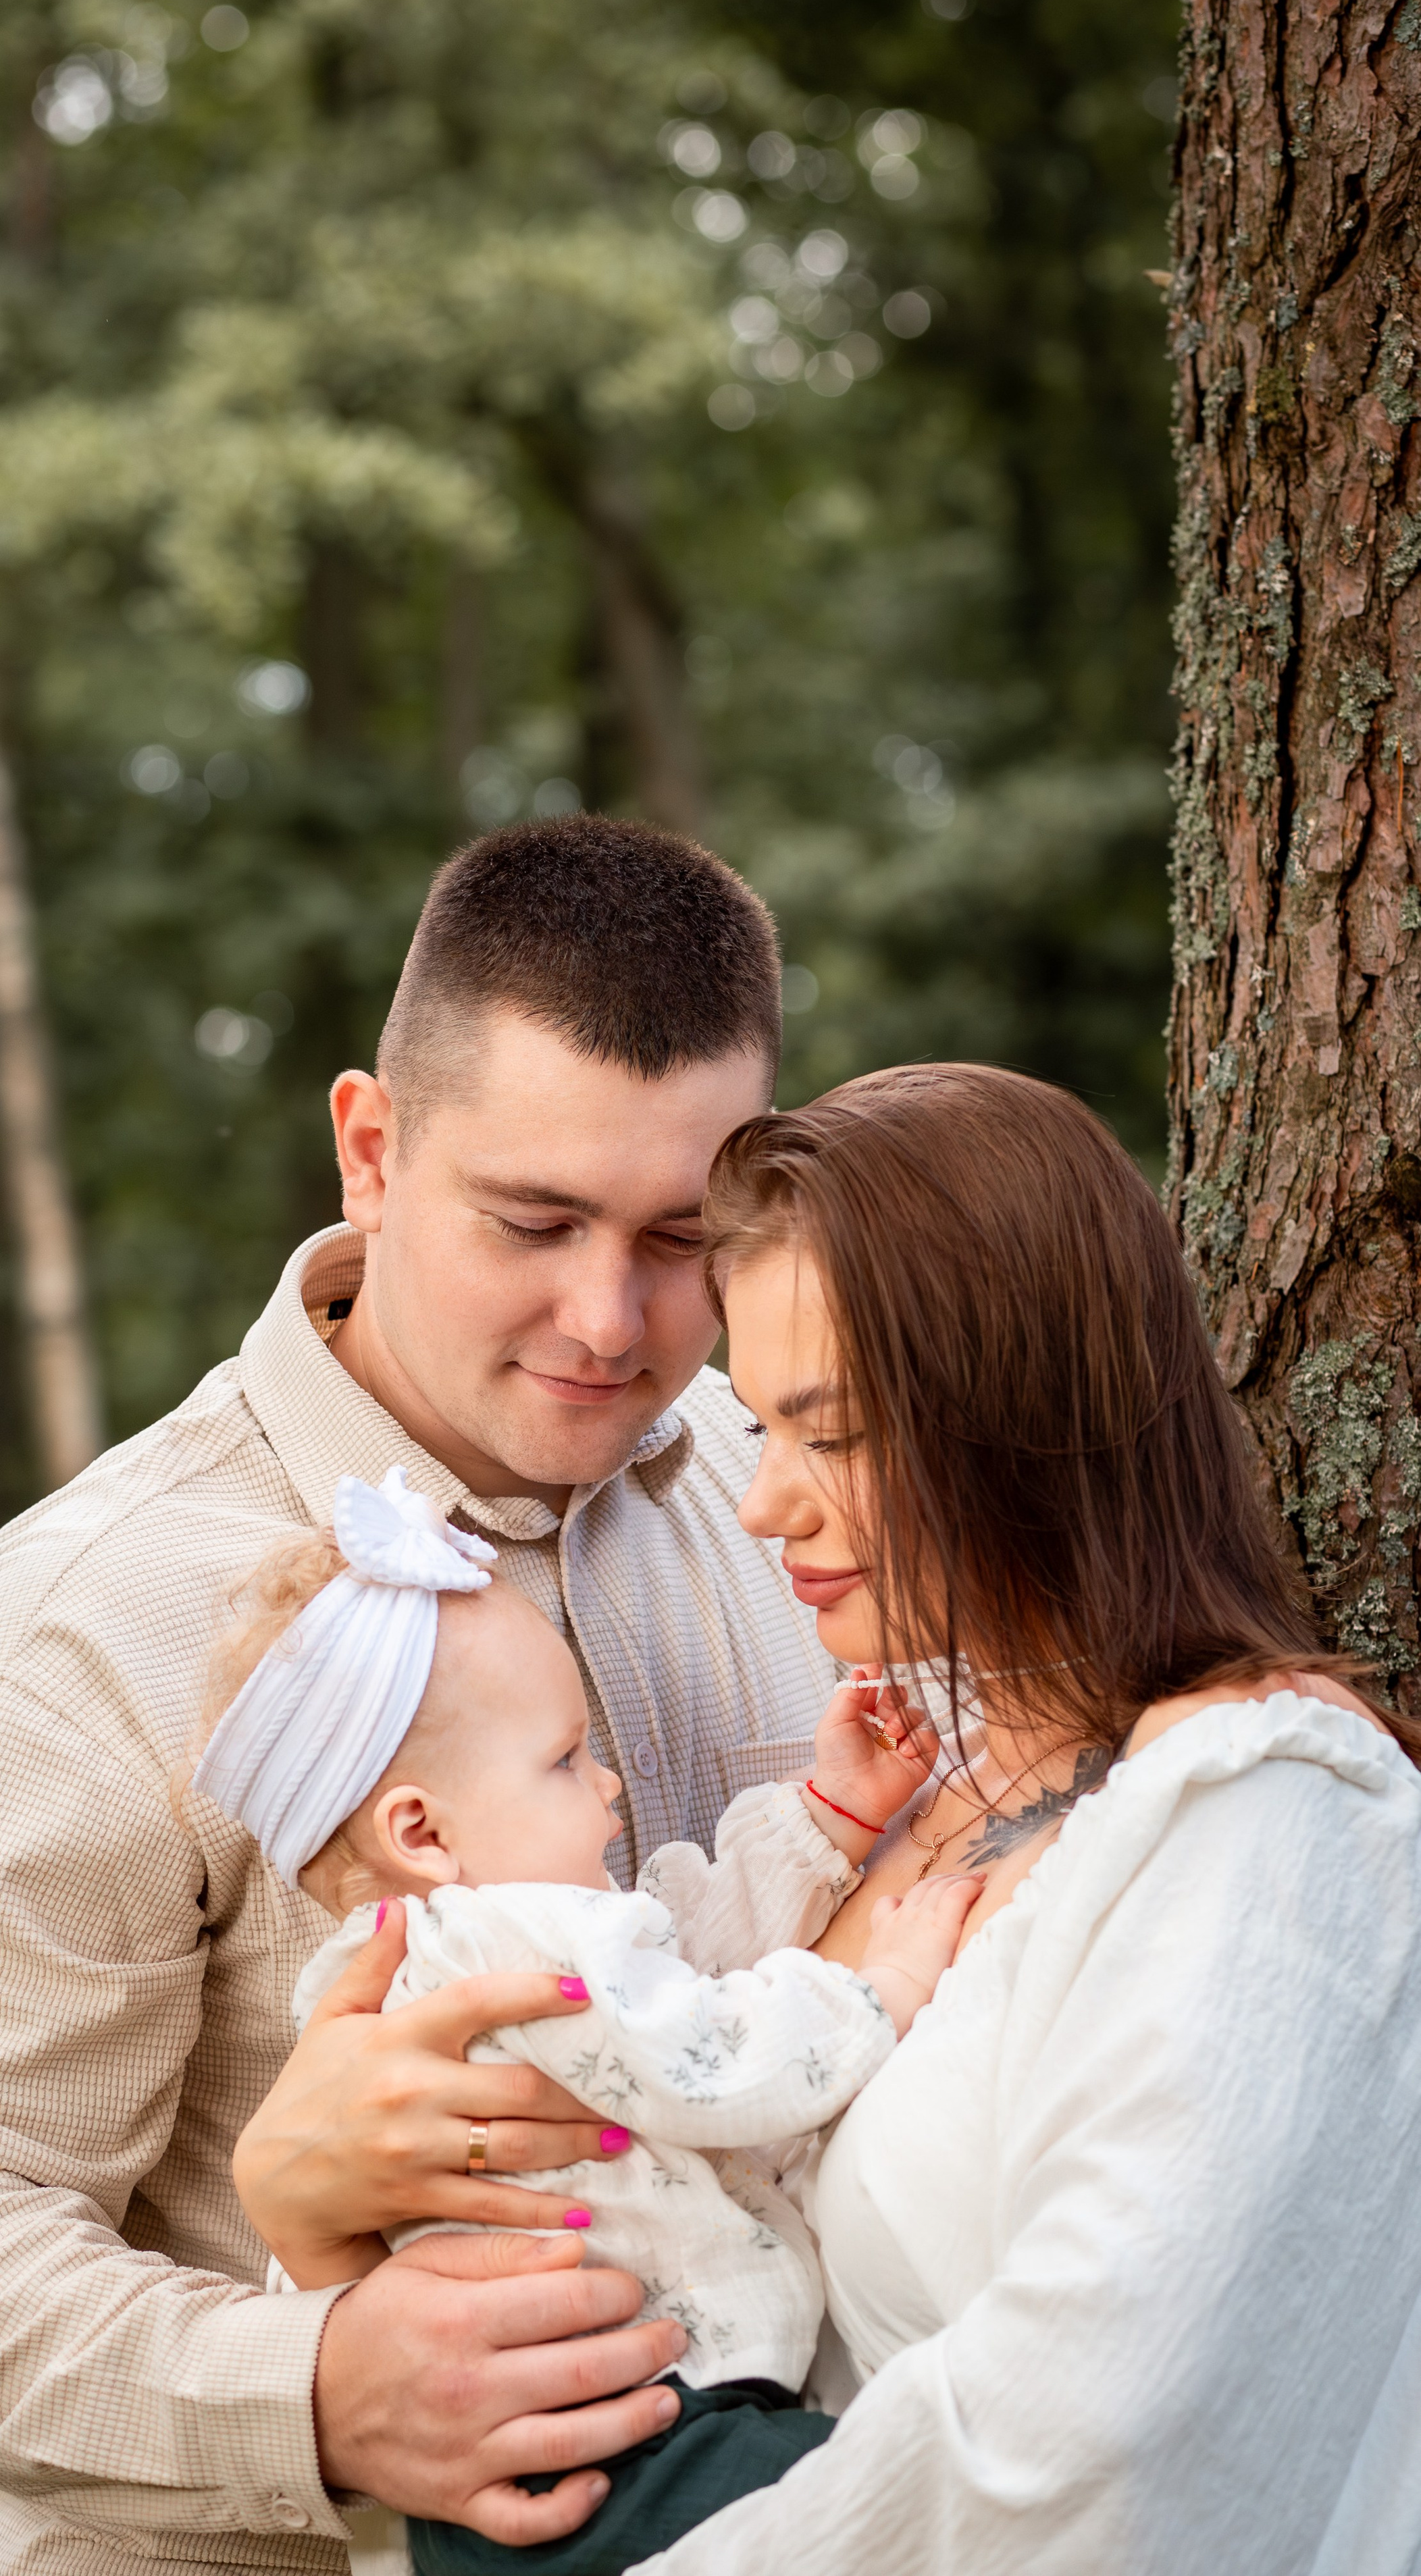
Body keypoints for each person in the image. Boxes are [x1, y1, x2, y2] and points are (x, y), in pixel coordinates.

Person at [0, 817, 842, 2575]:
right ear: (370, 1146)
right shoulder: (79, 1622)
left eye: (682, 1234)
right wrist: (315, 2385)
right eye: (536, 1217)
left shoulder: (797, 1491)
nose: (612, 1315)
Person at [618, 1062, 1421, 2575]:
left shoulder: (1270, 1820)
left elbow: (1106, 2446)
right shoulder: (905, 1778)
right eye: (755, 1430)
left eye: (832, 1433)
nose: (760, 1505)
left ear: (1023, 1417)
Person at [184, 1463, 979, 2575]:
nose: (606, 1788)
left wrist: (826, 1823)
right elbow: (709, 2056)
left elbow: (682, 1954)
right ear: (423, 1832)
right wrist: (878, 1989)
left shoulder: (371, 1990)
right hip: (641, 2435)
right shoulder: (513, 1942)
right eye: (565, 1759)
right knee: (925, 2511)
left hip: (501, 2481)